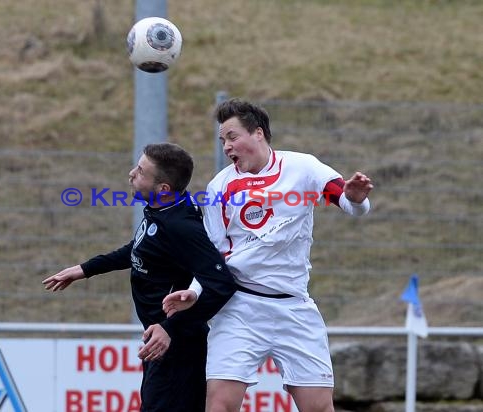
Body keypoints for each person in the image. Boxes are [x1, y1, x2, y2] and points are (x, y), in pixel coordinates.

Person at [163, 98, 374, 412]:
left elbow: (345, 199)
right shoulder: (220, 187)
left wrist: (355, 198)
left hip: (293, 307)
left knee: (318, 407)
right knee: (219, 404)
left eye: (232, 137)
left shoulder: (302, 168)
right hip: (239, 308)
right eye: (222, 141)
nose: (227, 147)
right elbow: (212, 253)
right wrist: (195, 291)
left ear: (258, 133)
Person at [43, 142, 236, 412]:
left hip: (177, 347)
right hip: (161, 341)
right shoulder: (163, 210)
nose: (132, 173)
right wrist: (85, 269)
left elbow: (222, 283)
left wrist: (171, 328)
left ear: (163, 189)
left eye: (141, 171)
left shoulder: (181, 227)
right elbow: (140, 249)